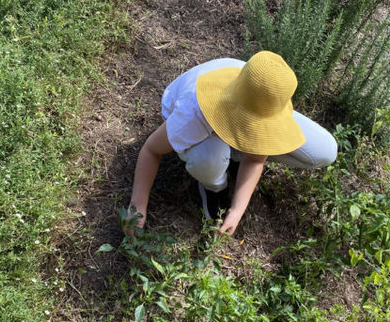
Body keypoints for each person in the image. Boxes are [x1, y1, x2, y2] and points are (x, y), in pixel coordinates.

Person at [125, 51, 337, 236]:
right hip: (205, 115)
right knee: (209, 158)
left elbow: (255, 160)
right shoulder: (193, 112)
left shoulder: (262, 95)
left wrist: (237, 210)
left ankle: (235, 153)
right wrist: (138, 205)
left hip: (248, 99)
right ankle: (213, 186)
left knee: (325, 150)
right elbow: (151, 150)